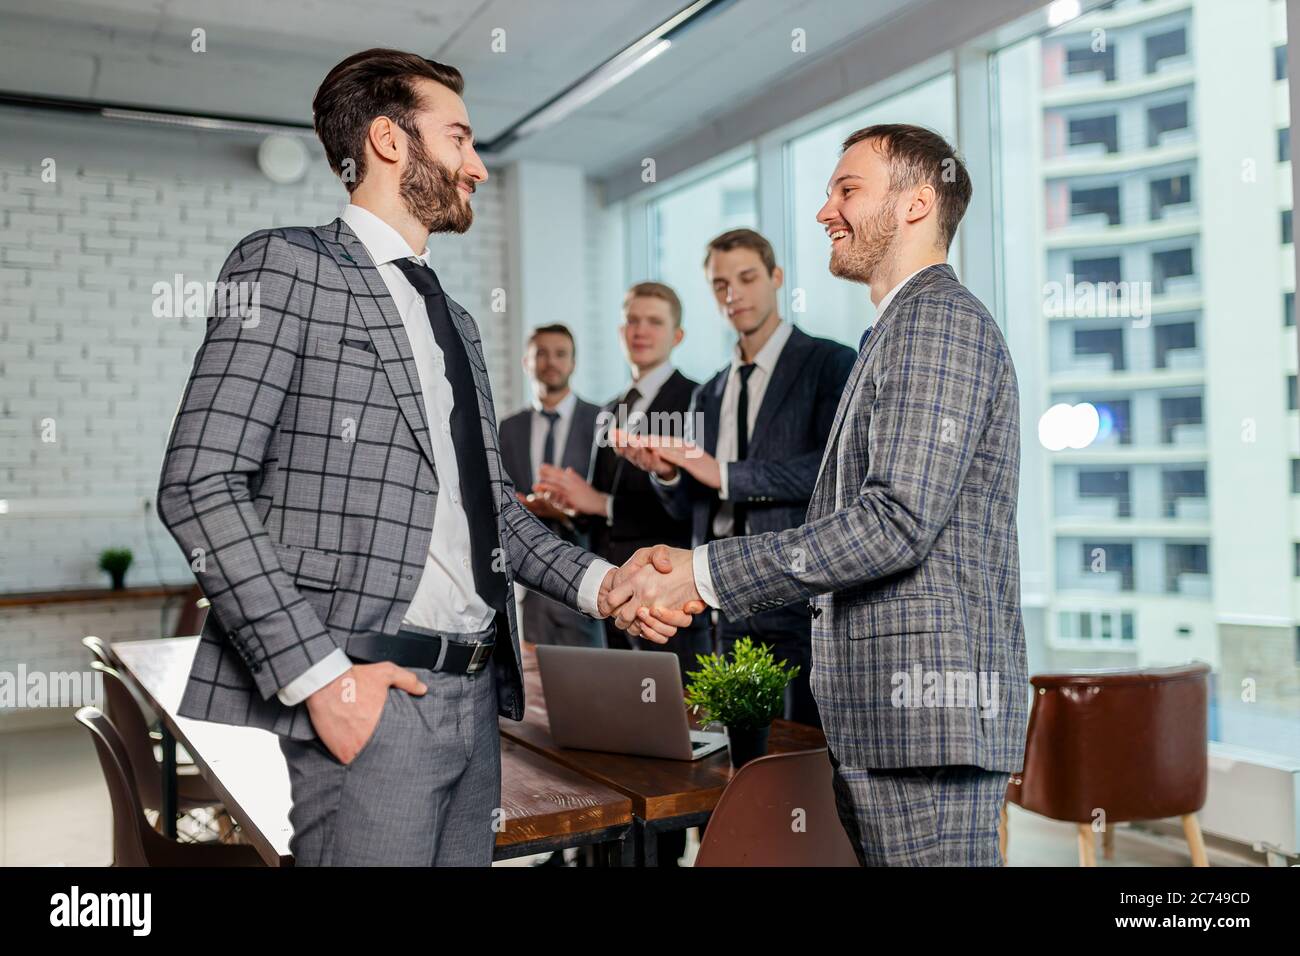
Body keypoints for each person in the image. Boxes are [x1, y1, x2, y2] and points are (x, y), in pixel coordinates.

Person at [156, 48, 694, 867]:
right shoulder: (286, 266)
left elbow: (495, 513)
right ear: (389, 141)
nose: (477, 165)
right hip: (371, 692)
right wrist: (318, 679)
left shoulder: (458, 323)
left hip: (477, 697)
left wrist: (605, 585)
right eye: (460, 140)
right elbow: (199, 483)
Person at [610, 124, 1030, 867]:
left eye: (847, 190)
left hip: (922, 717)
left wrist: (705, 573)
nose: (824, 211)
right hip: (888, 718)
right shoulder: (897, 328)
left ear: (915, 205)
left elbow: (895, 522)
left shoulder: (935, 321)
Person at [617, 228, 855, 728]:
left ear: (776, 278)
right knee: (729, 755)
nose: (734, 295)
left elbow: (828, 474)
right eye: (720, 284)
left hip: (794, 598)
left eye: (747, 278)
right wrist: (666, 473)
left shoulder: (828, 364)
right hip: (722, 602)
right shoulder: (710, 392)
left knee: (799, 754)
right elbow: (691, 508)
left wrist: (721, 472)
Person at [499, 324, 603, 648]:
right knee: (536, 685)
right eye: (541, 354)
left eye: (560, 354)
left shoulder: (601, 420)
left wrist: (565, 512)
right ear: (526, 362)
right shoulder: (510, 427)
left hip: (584, 571)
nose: (551, 362)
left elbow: (608, 501)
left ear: (573, 362)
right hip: (528, 588)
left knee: (591, 685)